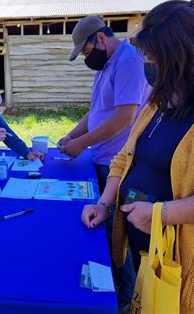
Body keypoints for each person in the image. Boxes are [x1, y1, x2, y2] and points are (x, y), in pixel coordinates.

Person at [82, 0, 194, 313]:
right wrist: (104, 203)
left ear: (180, 55)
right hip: (147, 251)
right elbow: (126, 157)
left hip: (189, 268)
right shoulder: (165, 93)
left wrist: (161, 214)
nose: (149, 68)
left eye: (154, 58)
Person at [60, 15, 151, 309]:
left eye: (86, 52)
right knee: (102, 229)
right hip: (101, 160)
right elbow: (97, 111)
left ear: (100, 38)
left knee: (116, 236)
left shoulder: (128, 62)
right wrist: (71, 136)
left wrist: (80, 144)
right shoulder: (108, 64)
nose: (87, 58)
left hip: (118, 164)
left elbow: (125, 116)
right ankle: (114, 290)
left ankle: (124, 300)